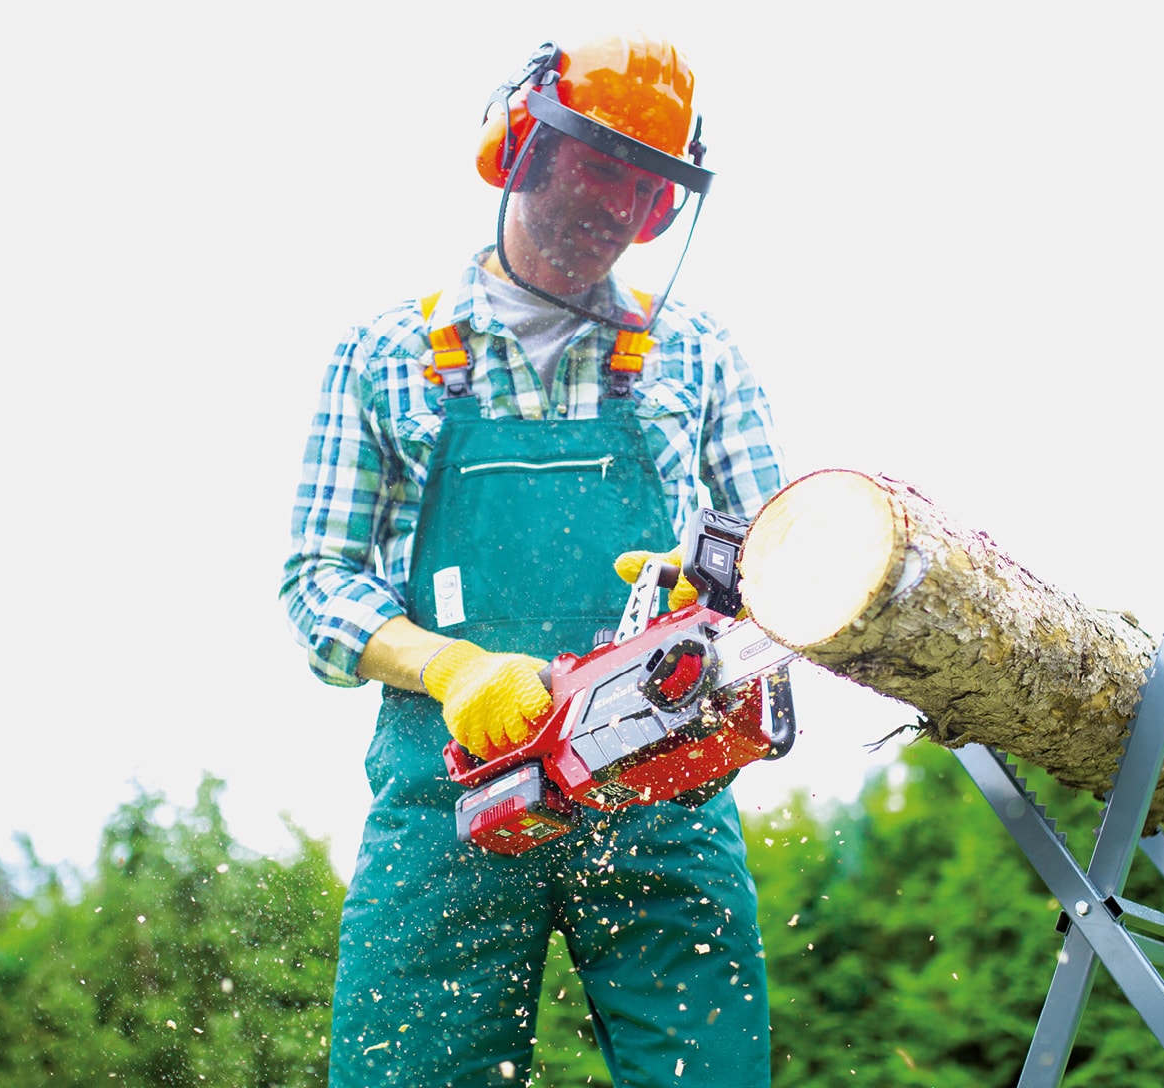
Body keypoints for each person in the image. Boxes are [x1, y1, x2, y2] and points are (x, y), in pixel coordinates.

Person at [280, 33, 786, 1087]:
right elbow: (316, 582)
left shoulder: (700, 354)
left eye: (644, 186)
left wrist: (717, 585)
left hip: (660, 801)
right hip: (448, 808)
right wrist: (452, 667)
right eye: (600, 167)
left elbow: (782, 569)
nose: (617, 206)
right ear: (521, 146)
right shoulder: (385, 353)